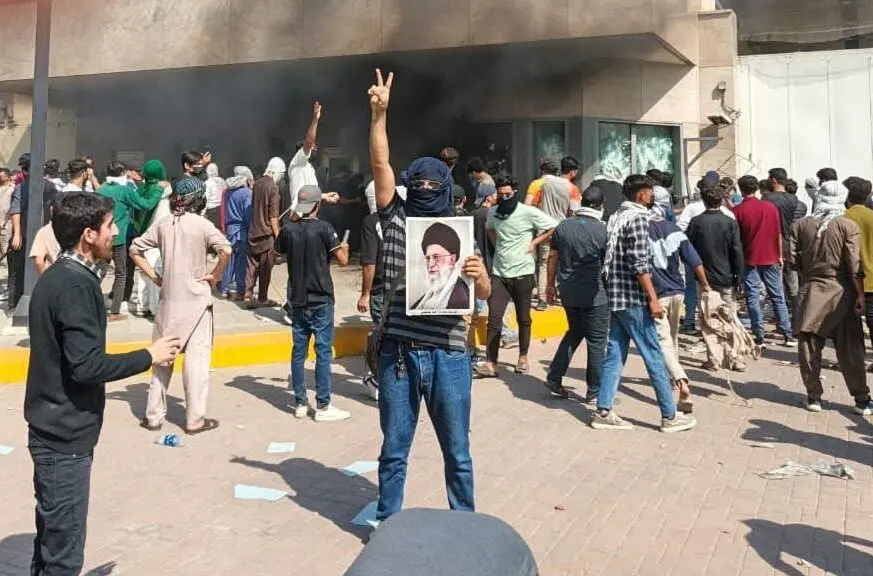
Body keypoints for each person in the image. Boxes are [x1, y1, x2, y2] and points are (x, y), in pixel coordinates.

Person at [26, 192, 180, 576]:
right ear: (89, 234)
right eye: (111, 226)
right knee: (63, 552)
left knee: (50, 540)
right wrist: (150, 355)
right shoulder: (76, 285)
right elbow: (87, 367)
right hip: (63, 437)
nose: (116, 233)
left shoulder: (61, 275)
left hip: (53, 429)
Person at [369, 68, 491, 523]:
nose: (423, 191)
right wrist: (379, 116)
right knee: (394, 448)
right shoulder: (396, 219)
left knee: (457, 450)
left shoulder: (463, 232)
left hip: (450, 355)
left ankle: (464, 521)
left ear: (445, 187)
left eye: (430, 184)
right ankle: (387, 519)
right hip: (400, 354)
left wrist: (478, 277)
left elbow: (484, 292)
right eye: (415, 184)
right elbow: (380, 166)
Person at [593, 174, 697, 433]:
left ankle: (603, 410)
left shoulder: (617, 216)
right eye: (650, 192)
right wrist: (652, 298)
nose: (652, 196)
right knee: (653, 353)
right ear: (641, 194)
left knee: (615, 353)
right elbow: (639, 263)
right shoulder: (639, 218)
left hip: (616, 295)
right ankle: (669, 415)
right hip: (633, 297)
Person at [131, 177, 231, 434]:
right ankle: (194, 420)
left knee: (161, 360)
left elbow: (135, 249)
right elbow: (226, 250)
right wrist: (215, 275)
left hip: (168, 303)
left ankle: (153, 417)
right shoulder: (202, 225)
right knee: (196, 364)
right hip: (197, 303)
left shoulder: (163, 225)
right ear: (199, 199)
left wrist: (154, 276)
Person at [789, 178, 872, 415]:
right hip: (842, 291)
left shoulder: (800, 226)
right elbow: (854, 264)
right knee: (850, 348)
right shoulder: (847, 226)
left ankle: (814, 396)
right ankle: (861, 399)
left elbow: (792, 261)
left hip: (812, 290)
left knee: (809, 346)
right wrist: (859, 296)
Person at [276, 185, 351, 421]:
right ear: (318, 206)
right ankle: (323, 405)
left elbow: (278, 252)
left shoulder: (288, 229)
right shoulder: (325, 229)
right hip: (321, 299)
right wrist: (345, 247)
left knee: (298, 352)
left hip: (297, 299)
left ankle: (300, 403)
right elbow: (343, 261)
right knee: (322, 353)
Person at [475, 174, 557, 376]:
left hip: (523, 273)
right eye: (500, 194)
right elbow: (490, 230)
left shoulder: (527, 212)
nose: (504, 197)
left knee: (523, 318)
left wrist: (534, 243)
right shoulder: (493, 212)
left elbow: (552, 225)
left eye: (507, 194)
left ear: (515, 192)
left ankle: (522, 357)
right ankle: (491, 363)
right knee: (494, 319)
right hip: (500, 274)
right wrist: (499, 246)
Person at [544, 186, 608, 402]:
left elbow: (552, 256)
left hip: (568, 291)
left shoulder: (563, 226)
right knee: (597, 341)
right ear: (600, 205)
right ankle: (595, 391)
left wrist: (549, 286)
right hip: (595, 293)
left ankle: (555, 375)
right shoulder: (603, 229)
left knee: (575, 331)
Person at [686, 184, 746, 371]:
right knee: (731, 317)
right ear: (721, 201)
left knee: (707, 319)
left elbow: (688, 248)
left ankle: (714, 359)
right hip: (726, 276)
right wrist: (739, 276)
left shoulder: (696, 222)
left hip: (704, 278)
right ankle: (736, 359)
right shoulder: (729, 222)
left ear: (703, 201)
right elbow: (737, 250)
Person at [732, 175, 795, 347]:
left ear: (741, 189)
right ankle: (787, 333)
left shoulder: (737, 211)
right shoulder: (770, 208)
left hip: (749, 258)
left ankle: (758, 335)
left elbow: (736, 239)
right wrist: (780, 255)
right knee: (777, 296)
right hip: (771, 256)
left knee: (752, 297)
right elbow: (778, 233)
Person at [98, 161, 161, 321]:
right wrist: (159, 190)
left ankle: (89, 302)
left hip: (102, 238)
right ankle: (114, 311)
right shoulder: (124, 190)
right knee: (121, 273)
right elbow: (145, 204)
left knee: (100, 271)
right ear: (122, 173)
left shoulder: (101, 189)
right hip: (119, 238)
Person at [676, 176, 735, 335]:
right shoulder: (727, 214)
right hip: (723, 262)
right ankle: (728, 330)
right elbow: (735, 244)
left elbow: (683, 233)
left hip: (696, 260)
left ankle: (692, 322)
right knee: (725, 297)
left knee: (695, 292)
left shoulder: (692, 211)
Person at [7, 153, 60, 310]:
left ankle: (26, 303)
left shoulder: (47, 187)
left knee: (26, 269)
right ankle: (15, 304)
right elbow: (15, 211)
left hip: (36, 234)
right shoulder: (22, 188)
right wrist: (17, 234)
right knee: (20, 270)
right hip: (24, 235)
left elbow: (53, 208)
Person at [127, 160, 173, 318]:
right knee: (156, 270)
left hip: (144, 234)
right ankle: (156, 307)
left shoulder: (141, 189)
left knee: (143, 270)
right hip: (158, 235)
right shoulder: (163, 189)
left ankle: (142, 305)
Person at [524, 157, 562, 311]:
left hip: (545, 229)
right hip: (564, 229)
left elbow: (527, 206)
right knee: (562, 262)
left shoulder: (537, 184)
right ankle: (558, 293)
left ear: (542, 169)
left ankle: (543, 298)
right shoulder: (566, 185)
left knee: (544, 263)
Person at [358, 195, 385, 401]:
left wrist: (365, 294)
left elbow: (369, 263)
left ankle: (377, 380)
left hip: (381, 289)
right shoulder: (406, 217)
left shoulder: (371, 221)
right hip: (404, 288)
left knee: (380, 336)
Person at [843, 177, 873, 359]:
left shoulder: (841, 219)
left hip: (846, 281)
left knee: (849, 324)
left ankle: (855, 358)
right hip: (870, 281)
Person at [411, 222, 471, 311]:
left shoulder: (462, 297)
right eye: (428, 258)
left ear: (452, 260)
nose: (430, 264)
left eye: (436, 257)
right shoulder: (427, 296)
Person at [246, 163, 282, 308]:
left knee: (252, 266)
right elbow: (273, 217)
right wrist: (279, 236)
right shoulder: (273, 187)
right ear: (277, 172)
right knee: (266, 268)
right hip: (267, 234)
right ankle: (262, 298)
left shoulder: (257, 183)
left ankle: (248, 296)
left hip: (253, 230)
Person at [220, 166, 253, 300]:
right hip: (241, 231)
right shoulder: (247, 193)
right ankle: (240, 290)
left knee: (229, 261)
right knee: (241, 263)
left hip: (230, 229)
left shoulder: (228, 191)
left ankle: (224, 288)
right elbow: (248, 213)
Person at [287, 102, 323, 215]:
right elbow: (308, 143)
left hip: (310, 216)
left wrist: (324, 197)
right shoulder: (298, 162)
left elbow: (309, 194)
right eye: (313, 147)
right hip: (299, 216)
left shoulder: (309, 168)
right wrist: (315, 120)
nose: (315, 149)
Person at [203, 162, 226, 228]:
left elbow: (206, 198)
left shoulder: (207, 183)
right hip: (222, 208)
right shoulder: (222, 181)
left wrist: (202, 213)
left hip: (212, 210)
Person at [0, 167, 13, 267]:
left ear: (8, 177)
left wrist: (5, 221)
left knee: (5, 246)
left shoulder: (12, 189)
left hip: (6, 223)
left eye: (1, 176)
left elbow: (13, 208)